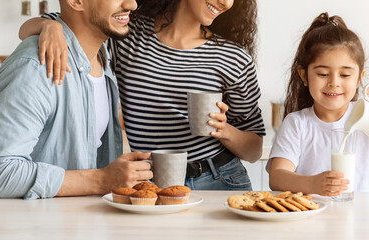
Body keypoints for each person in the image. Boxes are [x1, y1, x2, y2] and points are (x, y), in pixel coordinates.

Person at [18, 0, 265, 190]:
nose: (226, 2)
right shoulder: (130, 30)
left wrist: (224, 130)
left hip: (218, 179)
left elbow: (254, 150)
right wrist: (48, 26)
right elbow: (32, 29)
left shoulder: (234, 58)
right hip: (148, 181)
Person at [0, 0, 154, 200]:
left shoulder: (102, 59)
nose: (132, 4)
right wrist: (101, 180)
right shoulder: (35, 67)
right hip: (40, 228)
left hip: (80, 225)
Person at [267, 12, 369, 196]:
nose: (334, 82)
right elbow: (277, 177)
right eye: (323, 74)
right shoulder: (297, 123)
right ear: (304, 76)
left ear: (360, 77)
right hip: (318, 217)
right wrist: (312, 184)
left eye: (345, 75)